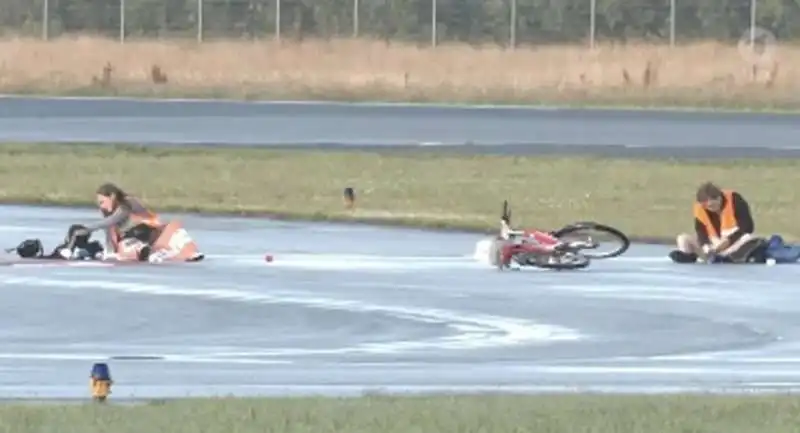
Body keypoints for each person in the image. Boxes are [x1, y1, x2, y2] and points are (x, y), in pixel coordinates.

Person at [669, 182, 767, 264]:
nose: (711, 209)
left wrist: (727, 241)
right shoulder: (700, 209)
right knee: (683, 238)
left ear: (719, 198)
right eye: (707, 206)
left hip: (734, 241)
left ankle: (726, 257)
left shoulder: (734, 200)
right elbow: (701, 231)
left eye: (713, 205)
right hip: (714, 243)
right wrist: (706, 245)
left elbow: (748, 227)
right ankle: (688, 256)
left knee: (749, 239)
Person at [70, 183, 164, 261]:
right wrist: (110, 251)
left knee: (133, 235)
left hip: (148, 230)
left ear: (112, 197)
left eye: (102, 202)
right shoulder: (107, 210)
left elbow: (112, 220)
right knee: (122, 240)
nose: (101, 206)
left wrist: (87, 229)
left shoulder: (127, 203)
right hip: (130, 234)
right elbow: (109, 229)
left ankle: (147, 251)